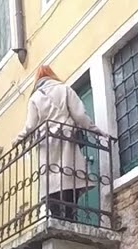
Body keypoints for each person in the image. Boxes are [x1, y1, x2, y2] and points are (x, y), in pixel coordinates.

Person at [15, 64, 102, 221]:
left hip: (46, 143)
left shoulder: (34, 98)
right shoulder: (65, 89)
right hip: (66, 138)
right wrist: (95, 130)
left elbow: (30, 126)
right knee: (70, 177)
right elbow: (80, 115)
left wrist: (19, 140)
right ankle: (71, 216)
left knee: (51, 181)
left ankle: (55, 216)